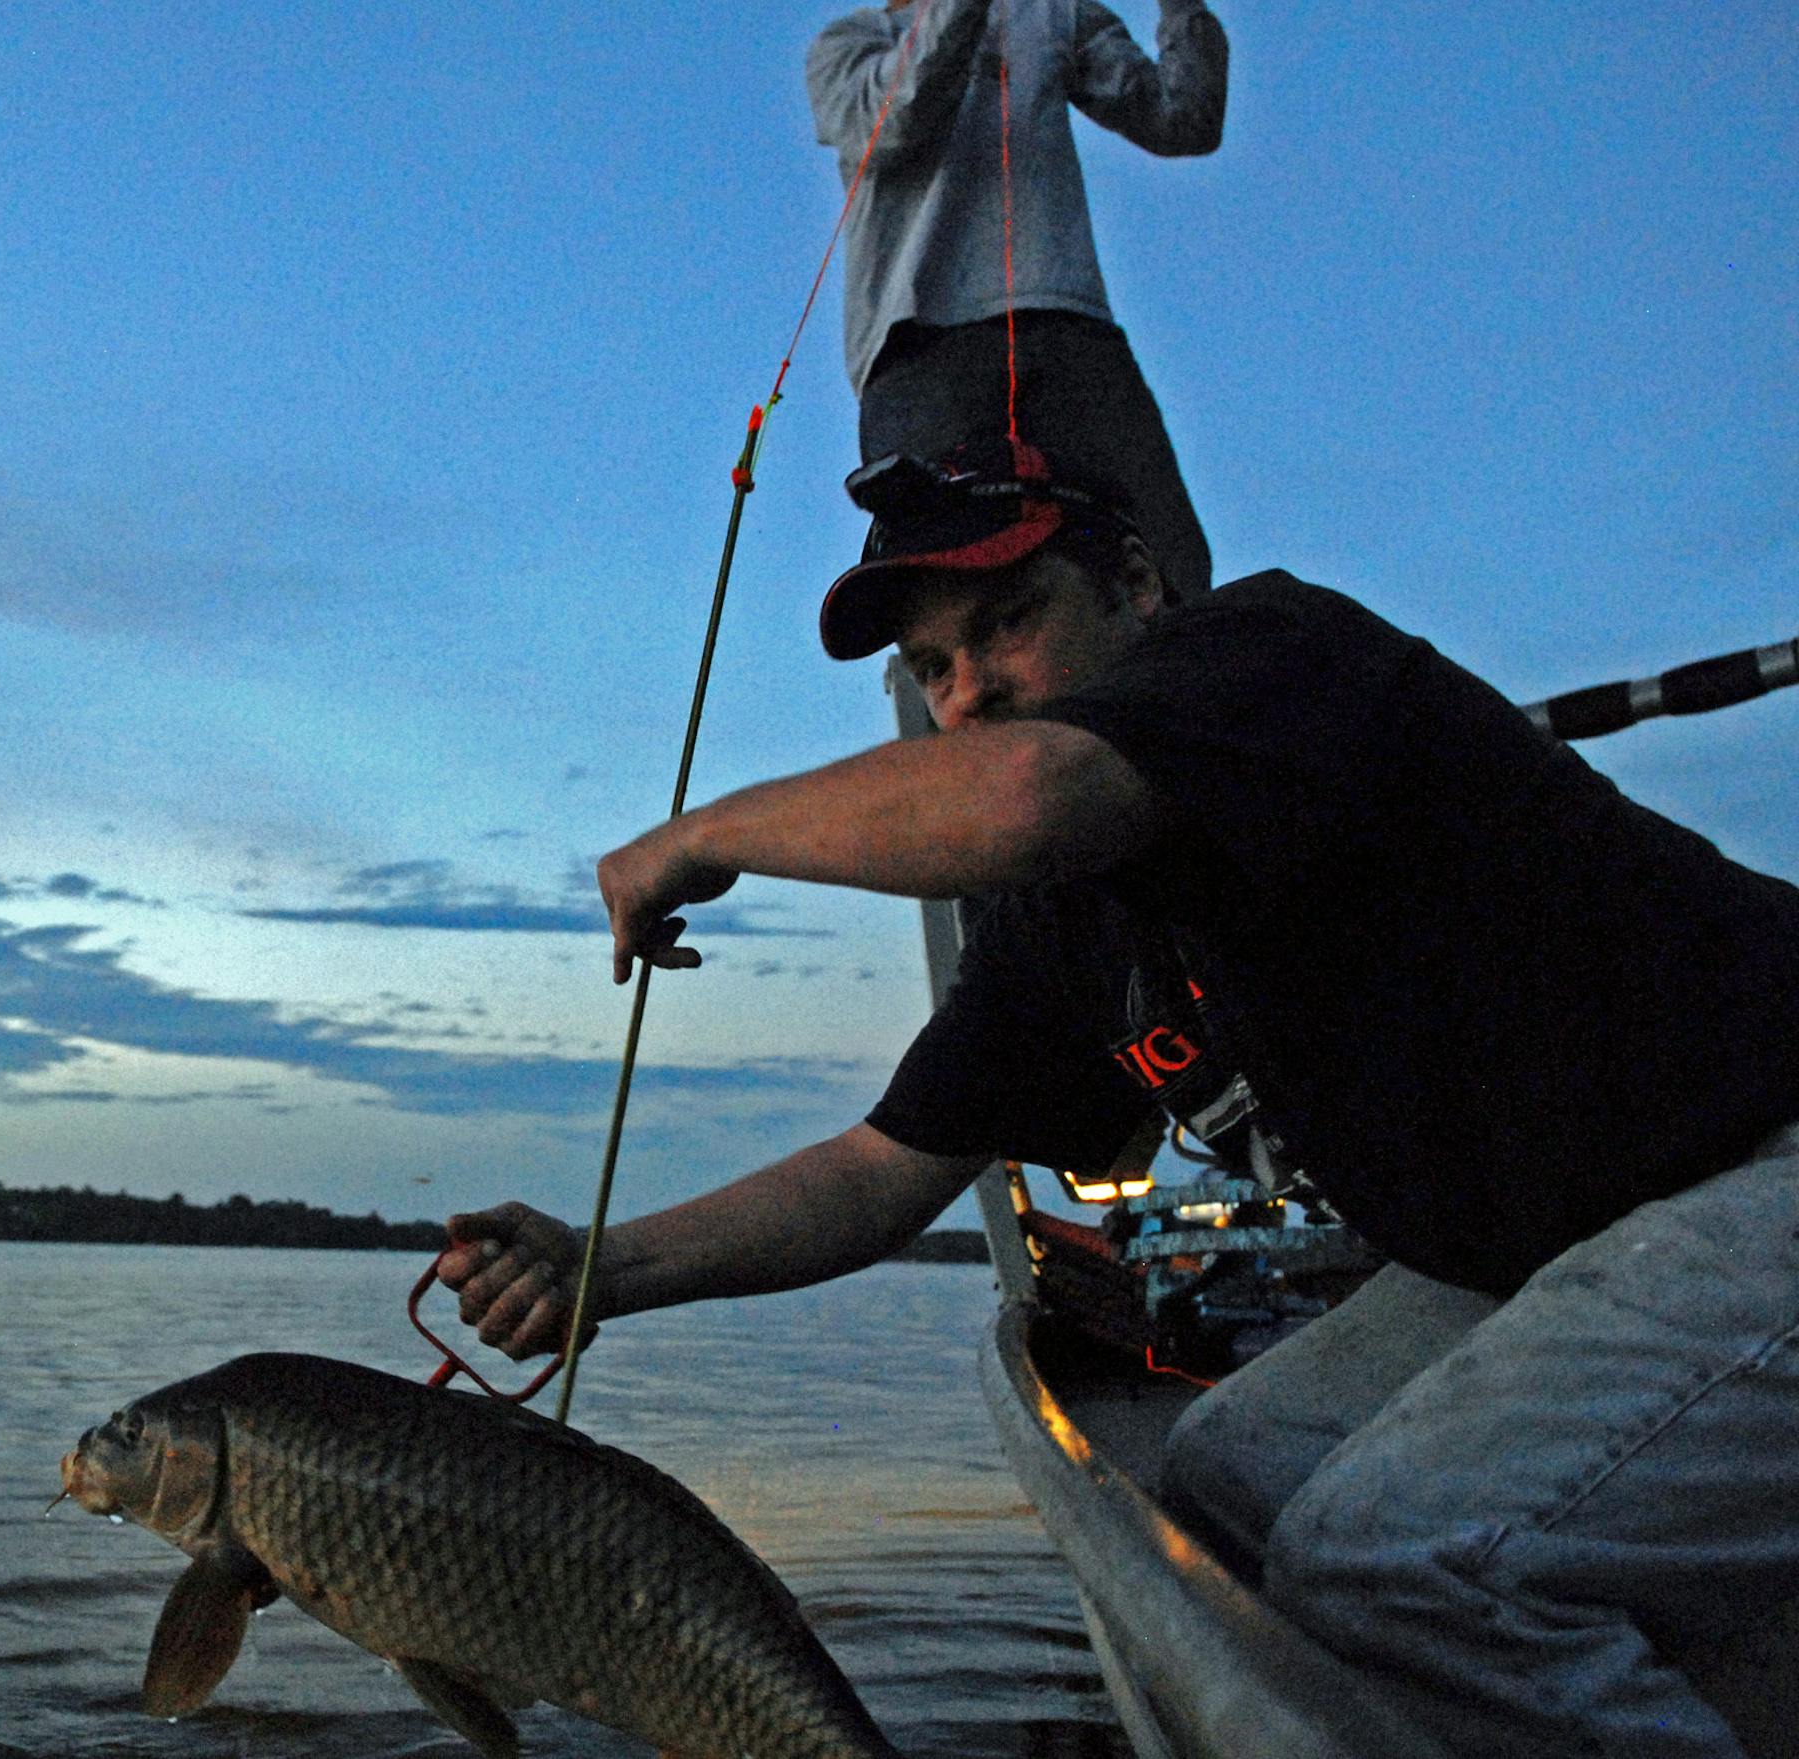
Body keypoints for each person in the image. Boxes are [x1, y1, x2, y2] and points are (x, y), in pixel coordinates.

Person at [441, 438, 1799, 1757]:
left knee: (1402, 1556)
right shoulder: (1067, 917)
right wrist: (601, 1266)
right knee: (1222, 1477)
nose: (967, 689)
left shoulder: (1274, 651)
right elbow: (880, 1165)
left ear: (1141, 586)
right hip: (1557, 1244)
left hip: (1762, 1155)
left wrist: (703, 828)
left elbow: (1029, 793)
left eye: (1010, 618)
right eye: (932, 668)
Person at [808, 0, 1228, 606]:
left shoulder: (1056, 13)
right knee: (951, 594)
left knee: (1164, 566)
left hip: (1070, 330)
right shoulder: (846, 43)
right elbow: (892, 123)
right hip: (917, 351)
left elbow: (1183, 120)